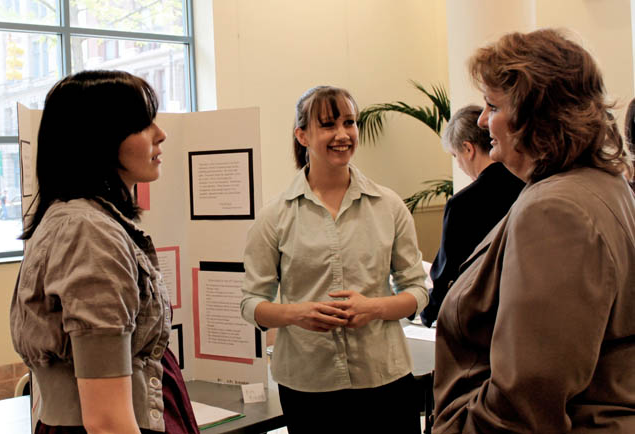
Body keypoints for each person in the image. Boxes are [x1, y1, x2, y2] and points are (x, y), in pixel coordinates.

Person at [433, 29, 635, 433]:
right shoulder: (603, 183)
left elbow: (526, 398)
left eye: (492, 106)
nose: (484, 120)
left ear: (536, 113)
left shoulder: (556, 209)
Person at [10, 71, 199, 434]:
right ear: (99, 139)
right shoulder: (88, 232)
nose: (160, 134)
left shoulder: (85, 220)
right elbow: (106, 420)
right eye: (143, 124)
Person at [240, 85, 428, 433]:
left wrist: (374, 308)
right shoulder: (275, 216)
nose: (342, 134)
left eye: (349, 122)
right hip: (309, 385)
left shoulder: (388, 206)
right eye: (328, 124)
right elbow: (252, 304)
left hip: (385, 379)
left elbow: (417, 291)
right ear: (302, 135)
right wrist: (297, 313)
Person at [420, 105, 524, 328]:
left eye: (455, 155)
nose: (459, 163)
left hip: (479, 320)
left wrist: (425, 313)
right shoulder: (528, 186)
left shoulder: (462, 205)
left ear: (468, 149)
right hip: (522, 310)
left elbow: (447, 279)